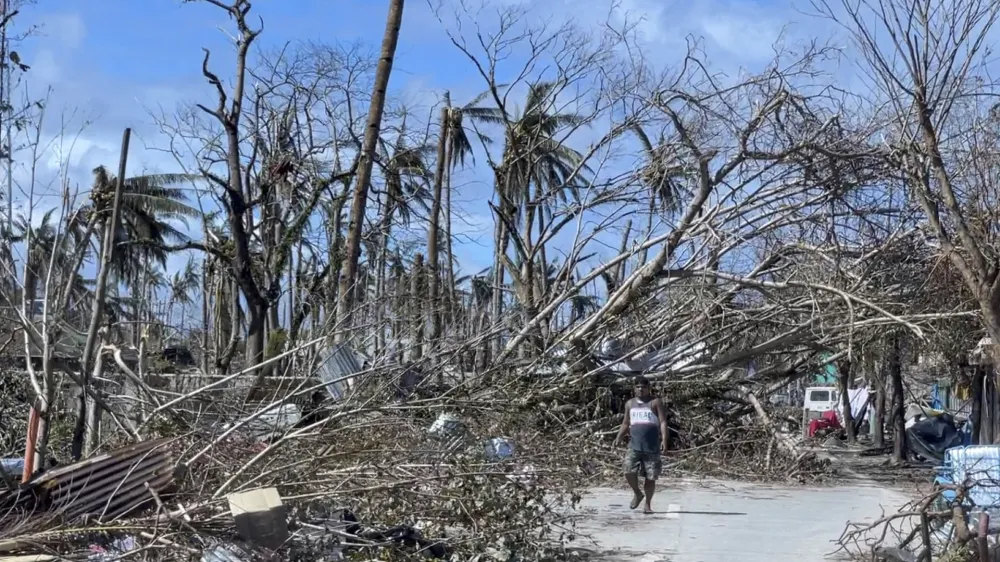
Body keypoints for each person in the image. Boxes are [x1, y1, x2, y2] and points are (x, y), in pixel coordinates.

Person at [613, 376, 669, 514]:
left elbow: (662, 422)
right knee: (628, 470)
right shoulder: (630, 404)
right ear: (634, 388)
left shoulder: (655, 402)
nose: (640, 389)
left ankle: (648, 505)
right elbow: (626, 423)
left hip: (651, 447)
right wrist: (618, 437)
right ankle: (637, 493)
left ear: (648, 388)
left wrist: (665, 441)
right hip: (634, 445)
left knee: (650, 477)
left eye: (643, 387)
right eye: (638, 387)